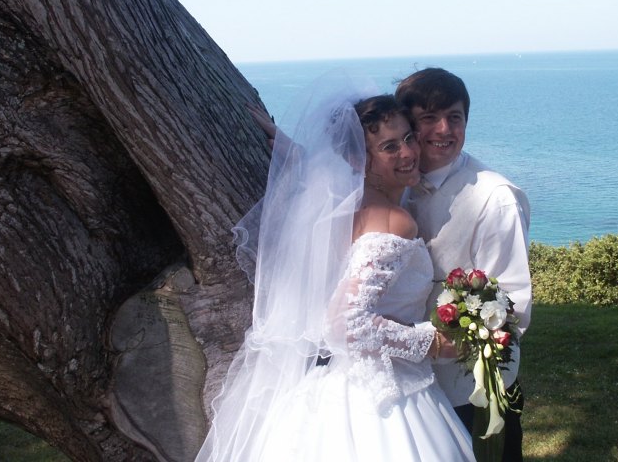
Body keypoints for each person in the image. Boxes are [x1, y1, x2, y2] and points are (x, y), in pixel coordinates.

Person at [196, 76, 474, 462]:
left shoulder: (346, 206)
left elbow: (324, 174)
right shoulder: (393, 220)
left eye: (408, 137)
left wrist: (291, 149)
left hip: (333, 381)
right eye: (389, 147)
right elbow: (346, 323)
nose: (408, 152)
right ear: (361, 158)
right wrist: (431, 343)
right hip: (383, 399)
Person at [396, 67, 532, 461]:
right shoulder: (397, 183)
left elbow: (511, 307)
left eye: (454, 117)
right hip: (410, 385)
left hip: (470, 389)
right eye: (429, 118)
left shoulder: (494, 198)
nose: (444, 129)